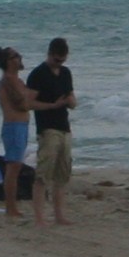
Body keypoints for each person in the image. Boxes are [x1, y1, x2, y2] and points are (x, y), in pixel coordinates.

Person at [25, 38, 78, 228]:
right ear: (49, 54)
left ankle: (58, 215)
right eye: (56, 60)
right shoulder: (38, 74)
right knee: (43, 174)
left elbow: (72, 98)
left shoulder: (65, 73)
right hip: (47, 127)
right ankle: (39, 218)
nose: (59, 63)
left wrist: (70, 102)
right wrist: (52, 105)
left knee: (62, 173)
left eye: (62, 60)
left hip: (64, 126)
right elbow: (28, 102)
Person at [0, 47, 36, 220]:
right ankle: (10, 208)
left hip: (22, 125)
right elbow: (22, 103)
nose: (19, 58)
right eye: (15, 56)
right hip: (13, 125)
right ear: (8, 61)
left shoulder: (18, 81)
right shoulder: (8, 81)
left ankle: (12, 207)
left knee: (16, 166)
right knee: (13, 166)